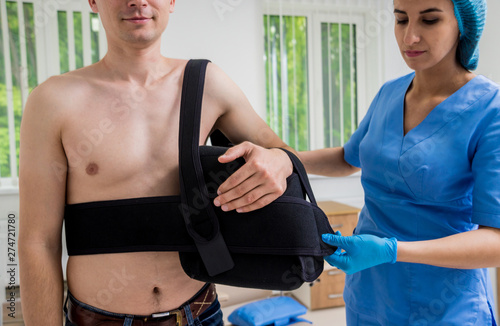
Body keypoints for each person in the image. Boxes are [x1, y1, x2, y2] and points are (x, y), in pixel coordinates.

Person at [18, 0, 294, 325]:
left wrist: (280, 161)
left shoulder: (207, 83)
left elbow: (282, 153)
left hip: (200, 313)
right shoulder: (52, 101)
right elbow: (38, 241)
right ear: (92, 1)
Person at [299, 0, 500, 324]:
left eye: (430, 20)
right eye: (401, 19)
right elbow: (349, 158)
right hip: (369, 295)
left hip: (446, 305)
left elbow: (496, 241)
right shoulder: (389, 94)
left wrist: (393, 251)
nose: (410, 37)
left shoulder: (490, 109)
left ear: (464, 25)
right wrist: (286, 159)